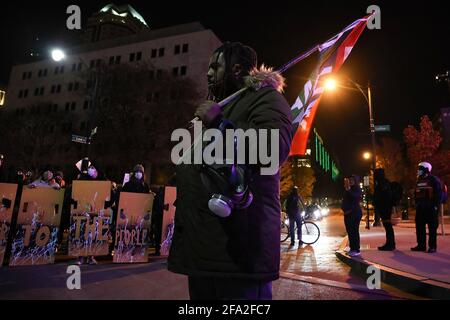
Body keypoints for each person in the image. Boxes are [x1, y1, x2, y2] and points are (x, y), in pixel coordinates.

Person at [167, 42, 292, 300]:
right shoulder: (226, 105)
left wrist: (220, 124)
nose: (209, 73)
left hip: (238, 255)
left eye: (216, 66)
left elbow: (272, 148)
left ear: (236, 69)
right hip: (205, 251)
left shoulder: (266, 98)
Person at [412, 162, 441, 253]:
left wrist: (436, 206)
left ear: (426, 169)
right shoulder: (419, 180)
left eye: (420, 169)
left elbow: (438, 194)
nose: (418, 171)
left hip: (431, 207)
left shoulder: (434, 180)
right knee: (419, 227)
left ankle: (432, 247)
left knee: (432, 228)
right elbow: (416, 193)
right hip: (421, 208)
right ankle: (421, 245)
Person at [373, 168, 395, 251]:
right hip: (385, 207)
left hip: (385, 208)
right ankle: (390, 243)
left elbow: (383, 196)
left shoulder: (383, 184)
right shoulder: (384, 182)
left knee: (388, 226)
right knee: (387, 226)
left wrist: (378, 203)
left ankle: (390, 244)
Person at [341, 175, 363, 257]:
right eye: (349, 180)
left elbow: (355, 196)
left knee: (354, 231)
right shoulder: (348, 189)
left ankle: (356, 249)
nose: (350, 182)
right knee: (350, 231)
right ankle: (352, 248)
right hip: (348, 214)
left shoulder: (356, 189)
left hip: (354, 213)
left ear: (355, 181)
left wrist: (349, 190)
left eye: (352, 180)